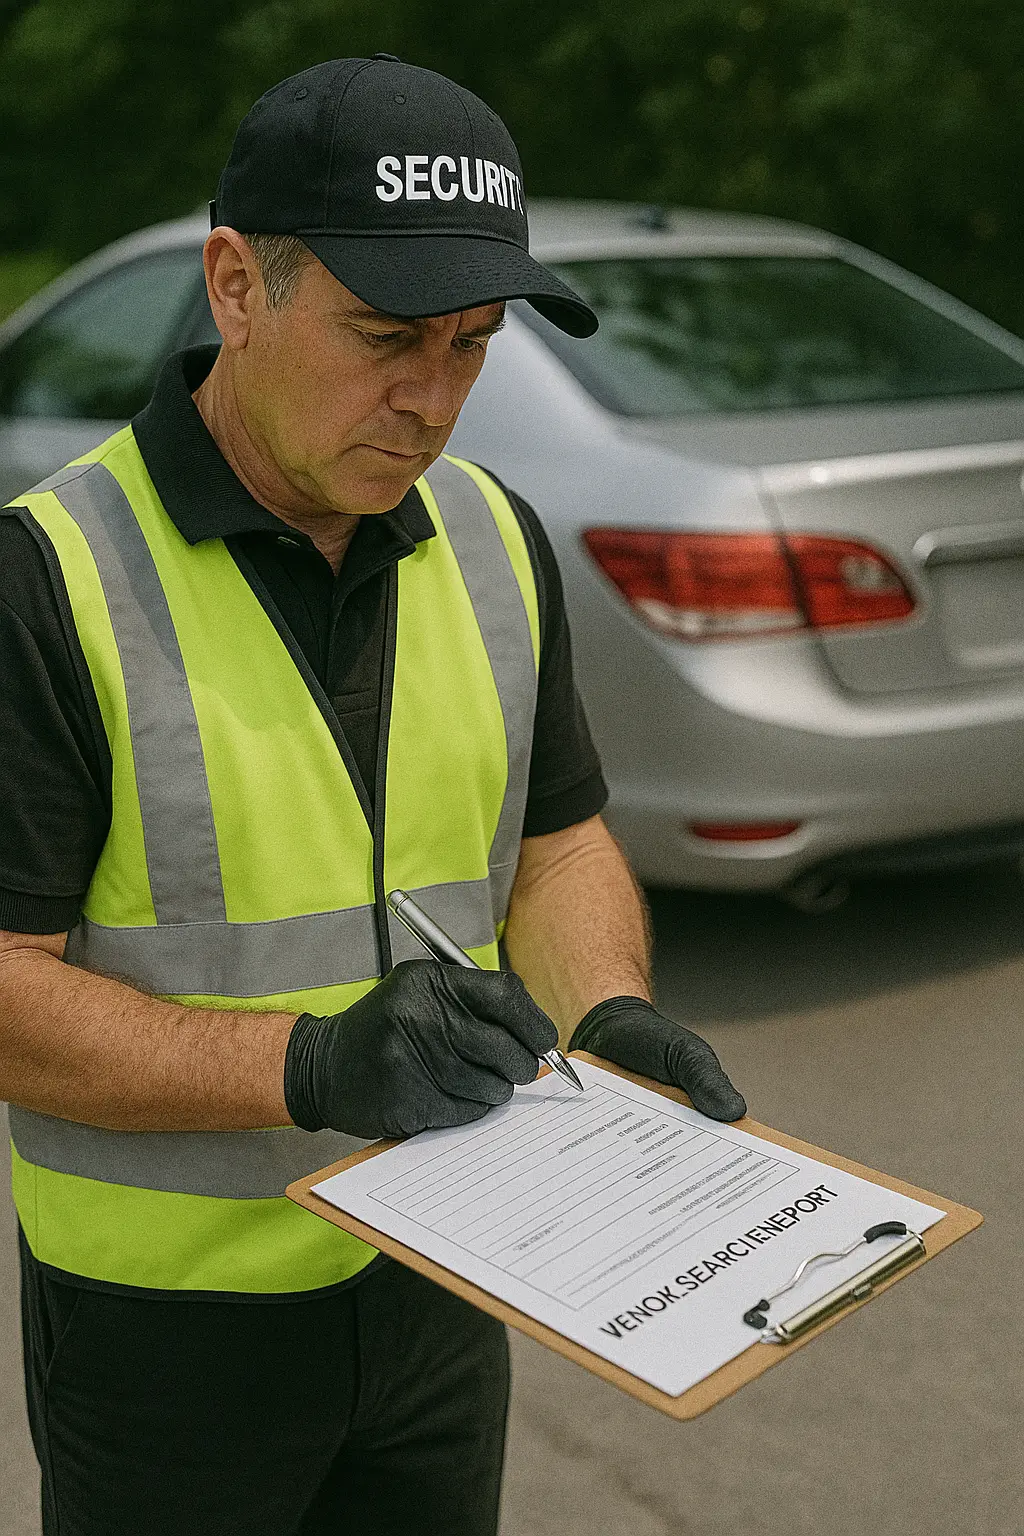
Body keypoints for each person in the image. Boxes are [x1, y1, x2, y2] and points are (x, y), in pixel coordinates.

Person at [0, 55, 745, 1536]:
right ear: (234, 284)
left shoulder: (488, 535)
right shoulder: (49, 577)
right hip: (169, 1330)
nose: (431, 401)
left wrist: (603, 1011)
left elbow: (555, 842)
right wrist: (311, 1068)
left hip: (443, 1279)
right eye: (385, 335)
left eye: (472, 345)